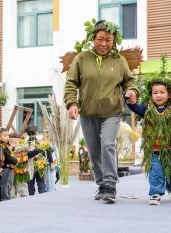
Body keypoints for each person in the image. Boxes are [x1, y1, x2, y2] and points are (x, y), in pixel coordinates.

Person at [64, 20, 138, 203]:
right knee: (95, 150)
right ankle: (102, 184)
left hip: (111, 112)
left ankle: (110, 185)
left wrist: (132, 91)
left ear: (114, 41)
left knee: (107, 145)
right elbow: (71, 83)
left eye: (108, 40)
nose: (104, 44)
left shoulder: (119, 60)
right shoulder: (82, 58)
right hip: (88, 113)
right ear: (93, 38)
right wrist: (72, 103)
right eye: (100, 39)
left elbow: (129, 81)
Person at [127, 77, 171, 205]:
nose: (158, 95)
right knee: (155, 171)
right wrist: (131, 102)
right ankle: (155, 193)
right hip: (155, 149)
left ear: (169, 94)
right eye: (155, 93)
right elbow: (136, 108)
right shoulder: (147, 108)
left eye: (162, 92)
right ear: (151, 94)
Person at [0, 128, 18, 201]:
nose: (7, 137)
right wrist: (16, 160)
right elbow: (8, 157)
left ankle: (4, 198)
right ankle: (5, 199)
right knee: (6, 186)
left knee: (8, 185)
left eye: (8, 135)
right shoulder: (2, 145)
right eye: (5, 135)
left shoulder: (5, 145)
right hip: (6, 168)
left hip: (9, 168)